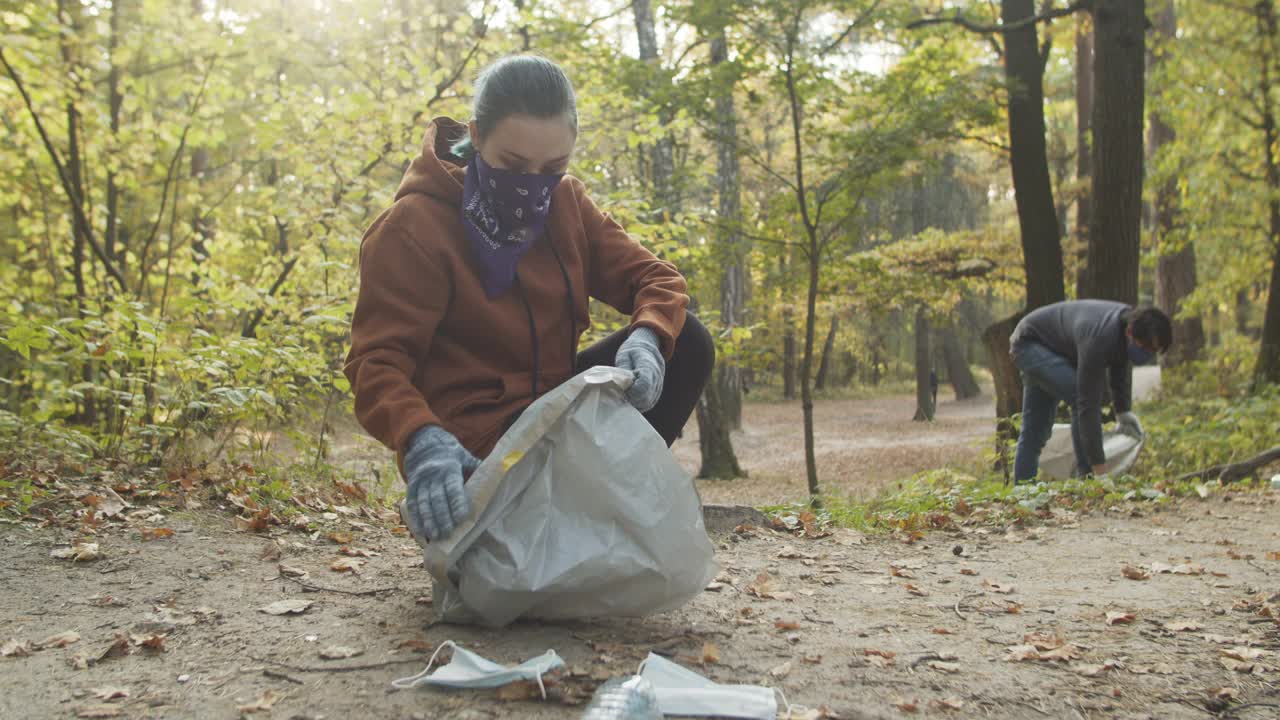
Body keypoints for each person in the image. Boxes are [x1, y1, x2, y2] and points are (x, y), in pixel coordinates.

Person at [343, 56, 714, 542]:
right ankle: (528, 518)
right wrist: (422, 440)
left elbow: (655, 278)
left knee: (686, 338)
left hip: (552, 410)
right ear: (476, 136)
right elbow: (376, 362)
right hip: (469, 444)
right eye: (514, 165)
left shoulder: (566, 203)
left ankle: (595, 513)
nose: (532, 184)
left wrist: (648, 337)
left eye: (553, 167)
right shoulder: (412, 228)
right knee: (516, 523)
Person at [1009, 300, 1172, 483]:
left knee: (1035, 430)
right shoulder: (1099, 338)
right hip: (1029, 344)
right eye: (1146, 348)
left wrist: (1123, 412)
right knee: (1079, 398)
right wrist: (1099, 469)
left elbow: (1119, 369)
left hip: (1051, 346)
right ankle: (1086, 479)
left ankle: (1023, 492)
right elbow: (1087, 405)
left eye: (1154, 351)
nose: (1148, 354)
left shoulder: (1126, 328)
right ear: (1130, 333)